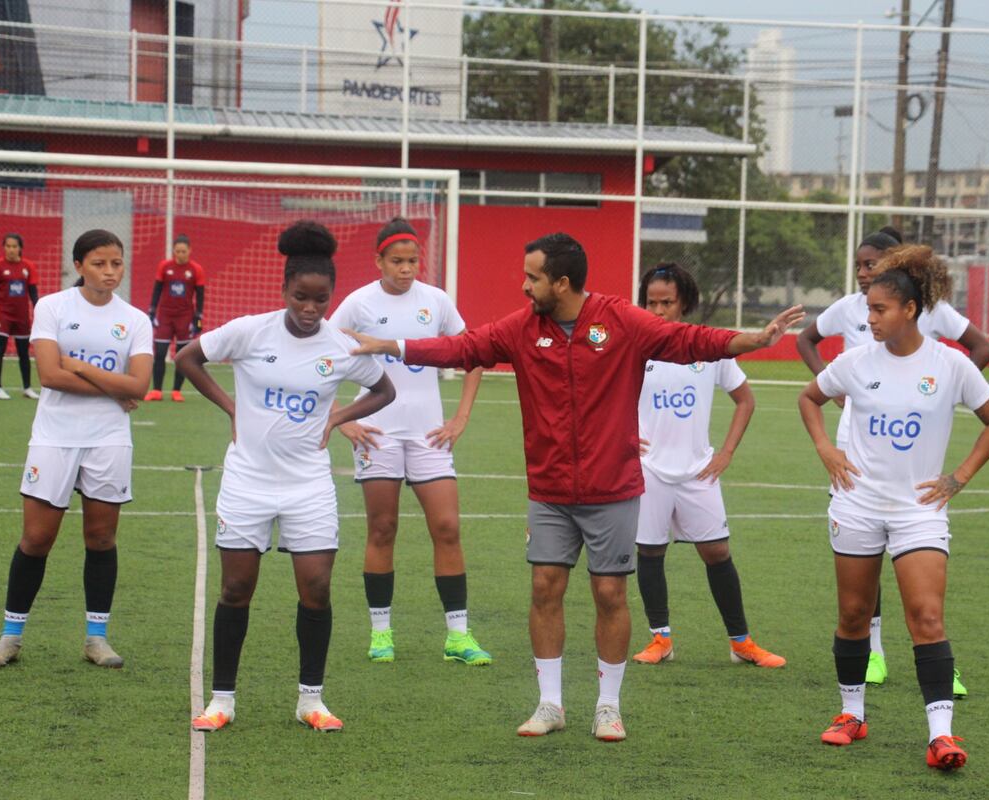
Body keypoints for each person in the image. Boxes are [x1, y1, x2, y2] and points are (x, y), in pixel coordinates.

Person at [343, 232, 804, 742]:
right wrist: (394, 345)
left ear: (561, 283)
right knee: (545, 588)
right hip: (550, 489)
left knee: (610, 593)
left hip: (613, 487)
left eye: (532, 277)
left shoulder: (621, 320)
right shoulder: (522, 329)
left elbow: (691, 340)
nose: (523, 286)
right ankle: (550, 703)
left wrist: (755, 340)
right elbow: (463, 348)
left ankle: (608, 706)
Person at [797, 243, 989, 771]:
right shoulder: (854, 362)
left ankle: (941, 735)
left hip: (918, 509)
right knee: (852, 614)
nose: (869, 318)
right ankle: (852, 715)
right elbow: (808, 399)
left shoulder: (950, 366)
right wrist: (828, 449)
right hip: (858, 504)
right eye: (868, 308)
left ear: (910, 310)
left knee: (927, 616)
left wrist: (958, 477)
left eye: (879, 309)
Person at [177, 220, 395, 733]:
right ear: (285, 290)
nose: (310, 309)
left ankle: (310, 700)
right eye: (301, 297)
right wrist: (231, 406)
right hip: (247, 480)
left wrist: (338, 418)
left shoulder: (341, 346)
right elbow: (188, 358)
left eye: (320, 300)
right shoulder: (250, 331)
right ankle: (223, 700)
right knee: (236, 588)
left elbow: (384, 390)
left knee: (316, 587)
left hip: (309, 485)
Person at [0, 230, 152, 670]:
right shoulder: (53, 307)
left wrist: (78, 365)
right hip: (54, 435)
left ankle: (97, 638)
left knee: (100, 538)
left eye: (116, 263)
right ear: (79, 265)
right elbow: (50, 377)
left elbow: (139, 386)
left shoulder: (134, 320)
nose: (110, 272)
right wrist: (109, 384)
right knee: (37, 539)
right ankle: (10, 636)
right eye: (99, 263)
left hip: (109, 438)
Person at [330, 217, 490, 666]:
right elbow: (316, 359)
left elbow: (474, 353)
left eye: (413, 261)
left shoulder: (436, 301)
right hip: (377, 435)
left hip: (429, 437)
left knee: (447, 528)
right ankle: (381, 633)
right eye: (396, 261)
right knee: (383, 530)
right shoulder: (358, 303)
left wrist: (459, 417)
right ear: (378, 260)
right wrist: (343, 421)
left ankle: (458, 636)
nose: (406, 269)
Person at [630, 264, 785, 669]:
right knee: (650, 550)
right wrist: (625, 438)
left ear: (684, 303)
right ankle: (660, 639)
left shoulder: (706, 348)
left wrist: (726, 453)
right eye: (651, 302)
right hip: (648, 469)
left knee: (717, 552)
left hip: (699, 470)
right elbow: (605, 399)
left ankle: (741, 642)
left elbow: (745, 400)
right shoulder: (634, 348)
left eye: (667, 302)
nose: (659, 310)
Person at [145, 234, 206, 402]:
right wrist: (152, 311)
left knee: (181, 356)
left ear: (189, 251)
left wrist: (198, 318)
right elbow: (157, 290)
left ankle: (176, 391)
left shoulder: (196, 269)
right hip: (165, 315)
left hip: (185, 317)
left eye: (183, 251)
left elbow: (200, 296)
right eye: (177, 251)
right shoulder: (164, 267)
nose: (180, 254)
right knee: (160, 353)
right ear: (173, 251)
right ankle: (156, 390)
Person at [0, 233, 41, 400]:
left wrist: (40, 312)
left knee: (24, 352)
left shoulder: (28, 266)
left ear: (20, 248)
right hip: (2, 315)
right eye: (8, 246)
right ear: (4, 247)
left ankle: (27, 388)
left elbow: (33, 293)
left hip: (22, 316)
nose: (10, 249)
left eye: (14, 246)